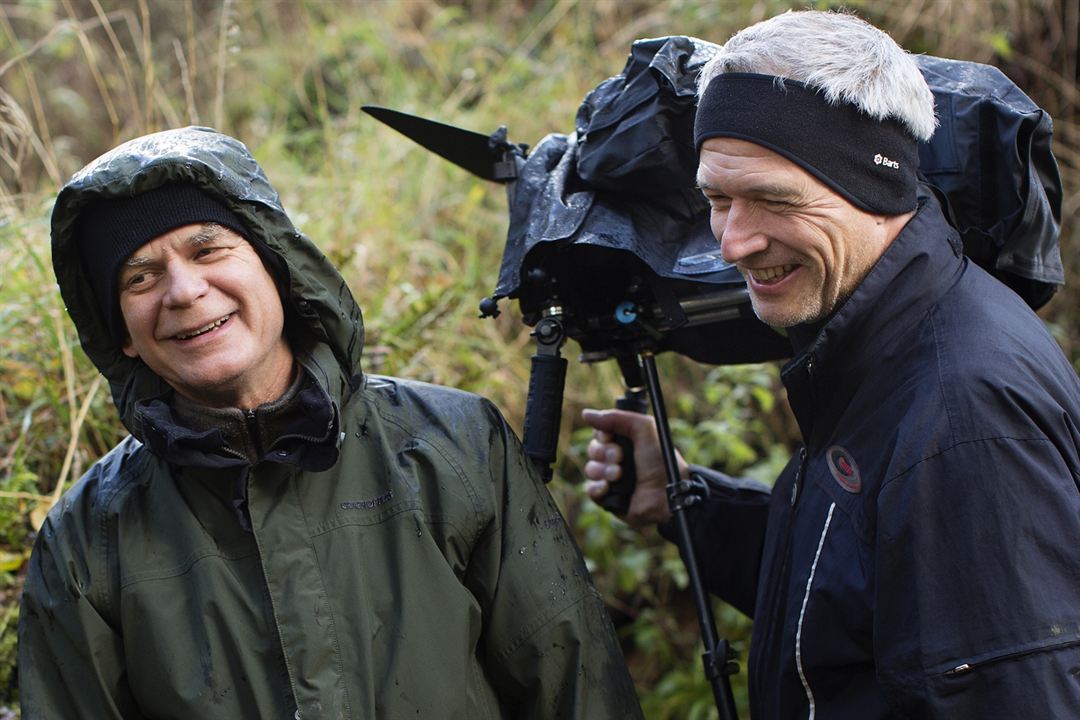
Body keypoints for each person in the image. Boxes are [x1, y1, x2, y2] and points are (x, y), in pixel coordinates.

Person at [18, 126, 644, 720]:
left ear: (276, 268)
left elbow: (574, 685)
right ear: (120, 334)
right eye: (139, 278)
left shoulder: (456, 445)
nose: (183, 291)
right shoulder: (86, 542)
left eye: (208, 248)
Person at [582, 10, 1080, 719]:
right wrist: (691, 504)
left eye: (773, 200)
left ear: (875, 187)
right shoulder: (872, 345)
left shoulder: (963, 416)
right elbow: (859, 601)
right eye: (717, 200)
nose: (732, 243)